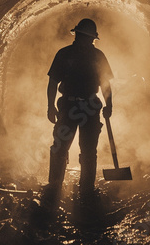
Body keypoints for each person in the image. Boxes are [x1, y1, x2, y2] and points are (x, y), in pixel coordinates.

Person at [43, 18, 113, 205]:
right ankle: (55, 186)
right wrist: (50, 106)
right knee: (59, 147)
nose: (88, 42)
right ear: (78, 36)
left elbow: (105, 83)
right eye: (86, 38)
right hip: (68, 106)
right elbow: (53, 82)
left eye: (90, 39)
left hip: (90, 107)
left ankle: (87, 190)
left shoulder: (98, 56)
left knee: (89, 150)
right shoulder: (64, 54)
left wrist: (109, 105)